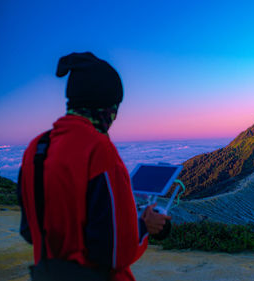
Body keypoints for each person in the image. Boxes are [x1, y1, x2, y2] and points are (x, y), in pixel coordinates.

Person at [17, 52, 171, 281]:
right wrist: (144, 226)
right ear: (107, 105)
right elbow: (117, 253)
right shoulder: (99, 151)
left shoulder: (36, 149)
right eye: (115, 107)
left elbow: (29, 231)